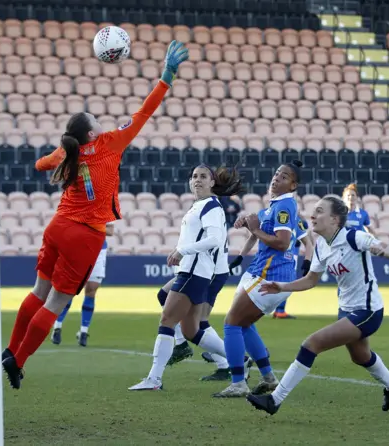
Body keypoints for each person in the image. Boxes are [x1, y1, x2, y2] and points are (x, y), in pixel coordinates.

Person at [1, 40, 189, 390]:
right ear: (91, 132)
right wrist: (166, 77)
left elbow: (41, 164)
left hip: (57, 226)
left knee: (39, 291)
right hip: (85, 234)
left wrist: (60, 153)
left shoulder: (68, 152)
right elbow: (145, 113)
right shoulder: (109, 144)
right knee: (57, 300)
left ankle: (10, 349)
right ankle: (18, 360)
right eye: (96, 121)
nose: (102, 123)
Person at [247, 195, 389, 415]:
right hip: (346, 309)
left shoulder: (353, 236)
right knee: (360, 356)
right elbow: (311, 280)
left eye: (320, 211)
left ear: (334, 219)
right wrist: (281, 287)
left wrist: (385, 251)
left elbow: (386, 248)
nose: (313, 215)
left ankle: (275, 400)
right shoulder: (321, 245)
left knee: (311, 344)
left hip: (368, 310)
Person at [128, 165, 245, 391]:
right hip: (194, 271)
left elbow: (214, 239)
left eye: (203, 177)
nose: (197, 180)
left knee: (167, 321)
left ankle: (154, 379)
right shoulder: (200, 206)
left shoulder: (211, 206)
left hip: (194, 272)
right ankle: (240, 360)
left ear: (212, 182)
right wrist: (181, 250)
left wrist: (183, 251)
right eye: (194, 177)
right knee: (191, 330)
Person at [212, 160, 303, 398]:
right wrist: (251, 225)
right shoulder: (276, 205)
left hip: (269, 274)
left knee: (231, 323)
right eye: (276, 173)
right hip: (271, 274)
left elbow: (282, 242)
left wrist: (256, 229)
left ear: (293, 184)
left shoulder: (284, 207)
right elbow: (260, 228)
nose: (276, 178)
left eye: (284, 177)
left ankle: (238, 382)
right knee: (244, 324)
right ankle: (269, 377)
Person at [33, 146, 115, 347]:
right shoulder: (79, 194)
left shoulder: (105, 196)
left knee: (91, 290)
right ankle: (57, 326)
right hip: (78, 247)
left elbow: (110, 229)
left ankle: (84, 331)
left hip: (98, 249)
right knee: (68, 289)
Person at [273, 217, 314, 319]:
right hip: (291, 254)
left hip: (283, 254)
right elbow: (307, 237)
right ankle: (280, 311)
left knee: (282, 282)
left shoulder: (284, 219)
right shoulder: (299, 221)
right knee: (288, 282)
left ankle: (278, 310)